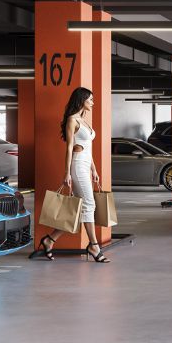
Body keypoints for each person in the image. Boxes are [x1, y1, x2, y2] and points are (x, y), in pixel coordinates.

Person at [31, 87, 110, 263]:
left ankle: (49, 240)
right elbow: (69, 148)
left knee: (79, 209)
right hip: (77, 165)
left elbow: (88, 148)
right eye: (90, 99)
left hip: (86, 164)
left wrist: (94, 169)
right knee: (89, 204)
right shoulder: (72, 120)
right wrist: (66, 173)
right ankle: (94, 246)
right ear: (82, 100)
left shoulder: (84, 120)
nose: (93, 102)